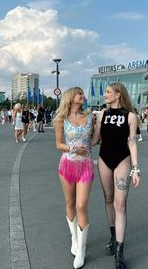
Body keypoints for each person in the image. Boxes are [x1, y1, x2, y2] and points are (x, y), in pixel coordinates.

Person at [92, 83, 140, 269]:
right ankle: (113, 235)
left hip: (123, 160)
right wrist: (75, 142)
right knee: (108, 198)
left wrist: (136, 169)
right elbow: (96, 139)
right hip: (104, 159)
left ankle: (120, 252)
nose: (105, 95)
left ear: (118, 94)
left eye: (108, 92)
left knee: (120, 204)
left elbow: (132, 142)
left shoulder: (131, 116)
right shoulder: (101, 114)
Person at [54, 87, 95, 269]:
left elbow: (94, 140)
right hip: (67, 165)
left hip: (86, 165)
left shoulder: (90, 117)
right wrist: (73, 149)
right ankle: (74, 238)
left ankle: (81, 251)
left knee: (81, 205)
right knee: (70, 203)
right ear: (71, 98)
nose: (83, 96)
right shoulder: (61, 120)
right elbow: (58, 144)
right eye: (80, 94)